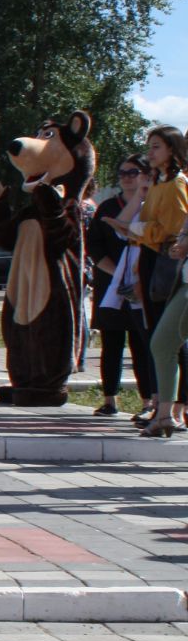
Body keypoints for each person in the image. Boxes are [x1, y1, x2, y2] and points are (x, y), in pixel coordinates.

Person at [90, 156, 155, 418]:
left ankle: (148, 400)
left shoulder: (150, 205)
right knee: (112, 343)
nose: (127, 177)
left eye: (133, 172)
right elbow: (95, 247)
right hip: (111, 284)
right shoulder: (107, 207)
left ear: (143, 175)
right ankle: (110, 400)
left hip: (142, 283)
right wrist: (117, 274)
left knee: (142, 345)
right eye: (123, 172)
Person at [140, 127, 188, 436]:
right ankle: (165, 415)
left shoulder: (179, 184)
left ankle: (168, 413)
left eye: (157, 146)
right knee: (162, 342)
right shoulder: (171, 182)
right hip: (183, 280)